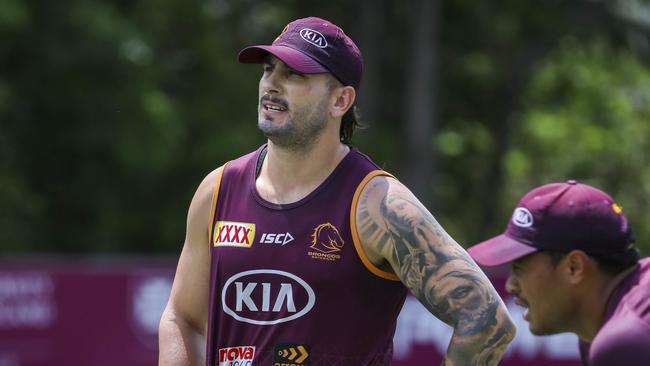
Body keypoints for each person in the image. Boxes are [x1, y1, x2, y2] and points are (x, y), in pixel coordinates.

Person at [159, 16, 515, 366]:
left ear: (341, 101)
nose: (272, 84)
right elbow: (182, 318)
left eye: (294, 74)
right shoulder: (218, 189)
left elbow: (486, 320)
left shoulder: (378, 204)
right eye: (268, 69)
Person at [467, 180, 650, 366]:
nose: (510, 285)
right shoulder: (602, 332)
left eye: (520, 268)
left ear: (574, 267)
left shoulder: (625, 343)